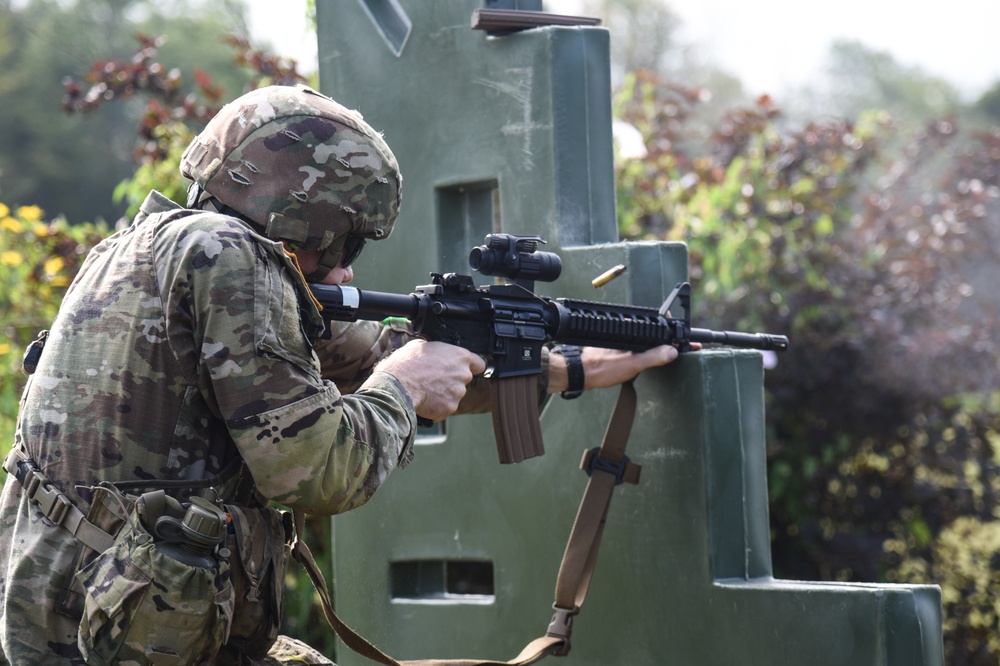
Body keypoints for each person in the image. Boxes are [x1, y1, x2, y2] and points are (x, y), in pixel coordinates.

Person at [0, 85, 679, 665]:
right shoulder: (232, 259)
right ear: (302, 217)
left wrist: (564, 369)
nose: (348, 268)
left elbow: (364, 358)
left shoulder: (148, 247)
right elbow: (317, 469)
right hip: (118, 634)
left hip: (75, 616)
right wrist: (407, 386)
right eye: (347, 242)